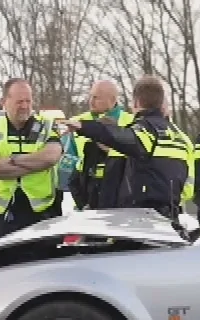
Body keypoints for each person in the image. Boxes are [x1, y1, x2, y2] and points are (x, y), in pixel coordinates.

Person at [66, 75, 193, 220]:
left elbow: (120, 139)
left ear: (136, 102)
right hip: (170, 216)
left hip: (141, 220)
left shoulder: (147, 130)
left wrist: (84, 126)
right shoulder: (180, 137)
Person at [0, 79, 64, 239]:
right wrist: (34, 163)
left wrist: (11, 160)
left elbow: (50, 158)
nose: (25, 106)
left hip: (41, 214)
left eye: (28, 101)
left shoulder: (47, 126)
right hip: (3, 215)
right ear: (4, 102)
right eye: (19, 101)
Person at [67, 79, 130, 209]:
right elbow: (68, 165)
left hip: (120, 201)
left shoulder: (131, 122)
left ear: (112, 100)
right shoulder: (77, 122)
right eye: (91, 96)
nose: (91, 101)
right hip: (86, 200)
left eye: (96, 98)